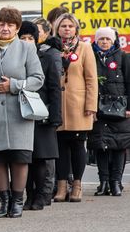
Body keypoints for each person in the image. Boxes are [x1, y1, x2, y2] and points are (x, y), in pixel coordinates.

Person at [0, 7, 44, 218]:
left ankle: (17, 201)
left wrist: (14, 85)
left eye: (10, 25)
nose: (5, 28)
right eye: (2, 24)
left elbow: (38, 79)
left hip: (19, 113)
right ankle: (4, 201)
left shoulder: (27, 49)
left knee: (19, 157)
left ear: (17, 28)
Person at [53, 13, 98, 203]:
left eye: (70, 26)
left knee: (78, 144)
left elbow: (91, 79)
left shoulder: (84, 47)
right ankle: (62, 185)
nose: (67, 29)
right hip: (58, 105)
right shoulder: (52, 47)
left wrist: (91, 105)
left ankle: (77, 185)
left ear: (76, 29)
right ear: (57, 28)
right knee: (60, 146)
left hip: (78, 105)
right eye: (63, 26)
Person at [18, 21, 62, 210]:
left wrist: (55, 116)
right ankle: (29, 195)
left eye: (30, 38)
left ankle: (41, 195)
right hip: (21, 114)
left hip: (42, 112)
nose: (27, 41)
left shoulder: (46, 58)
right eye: (23, 38)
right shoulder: (15, 58)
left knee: (41, 157)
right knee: (24, 158)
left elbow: (55, 88)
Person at [88, 27, 130, 196]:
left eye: (108, 39)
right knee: (101, 145)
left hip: (120, 109)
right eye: (101, 39)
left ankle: (116, 182)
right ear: (96, 40)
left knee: (119, 145)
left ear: (113, 41)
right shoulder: (91, 56)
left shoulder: (124, 57)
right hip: (98, 109)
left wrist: (129, 107)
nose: (104, 42)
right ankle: (103, 182)